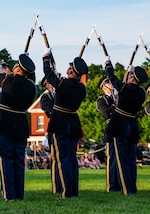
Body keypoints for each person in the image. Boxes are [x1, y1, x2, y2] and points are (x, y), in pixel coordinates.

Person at [0, 46, 37, 201]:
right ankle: (19, 194)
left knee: (6, 160)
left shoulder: (7, 80)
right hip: (21, 124)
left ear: (17, 69)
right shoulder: (32, 87)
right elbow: (30, 79)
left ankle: (9, 194)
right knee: (18, 161)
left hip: (4, 122)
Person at [42, 48, 88, 198]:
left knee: (63, 159)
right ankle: (73, 190)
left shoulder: (63, 84)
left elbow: (48, 75)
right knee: (72, 158)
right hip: (73, 123)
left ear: (70, 71)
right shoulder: (82, 88)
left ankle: (67, 191)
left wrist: (45, 57)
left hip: (59, 122)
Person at [105, 57, 148, 195]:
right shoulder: (141, 92)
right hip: (132, 125)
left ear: (132, 78)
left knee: (122, 159)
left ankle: (126, 189)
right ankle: (132, 188)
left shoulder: (125, 88)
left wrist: (108, 64)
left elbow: (112, 78)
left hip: (120, 124)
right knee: (131, 159)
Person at [96, 76, 121, 192]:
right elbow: (106, 113)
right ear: (105, 86)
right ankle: (111, 186)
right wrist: (115, 104)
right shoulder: (102, 100)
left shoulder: (118, 96)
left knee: (120, 158)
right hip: (111, 130)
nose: (112, 85)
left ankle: (120, 183)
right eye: (109, 83)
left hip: (120, 128)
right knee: (112, 159)